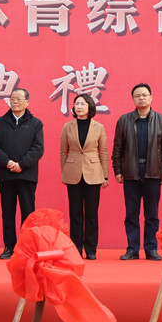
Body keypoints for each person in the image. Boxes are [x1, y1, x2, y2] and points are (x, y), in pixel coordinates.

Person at [112, 83, 162, 261]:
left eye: (144, 95)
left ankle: (151, 249)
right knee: (131, 214)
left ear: (151, 97)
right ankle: (132, 249)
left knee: (152, 214)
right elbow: (118, 148)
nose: (141, 98)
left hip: (153, 172)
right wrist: (117, 170)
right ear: (133, 99)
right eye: (137, 95)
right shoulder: (124, 120)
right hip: (131, 172)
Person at [0, 88, 44, 260]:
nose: (15, 102)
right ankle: (9, 246)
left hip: (26, 175)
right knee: (7, 213)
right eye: (12, 99)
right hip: (6, 175)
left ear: (27, 102)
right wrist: (8, 163)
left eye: (19, 99)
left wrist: (21, 164)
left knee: (28, 213)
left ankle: (27, 247)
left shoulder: (36, 123)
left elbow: (38, 148)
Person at [59, 93, 108, 260]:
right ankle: (76, 248)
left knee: (92, 213)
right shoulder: (68, 126)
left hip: (93, 173)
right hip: (73, 173)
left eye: (83, 104)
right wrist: (65, 171)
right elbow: (63, 151)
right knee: (75, 213)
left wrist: (105, 175)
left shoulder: (98, 127)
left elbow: (103, 151)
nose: (79, 107)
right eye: (76, 104)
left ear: (90, 107)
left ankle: (91, 249)